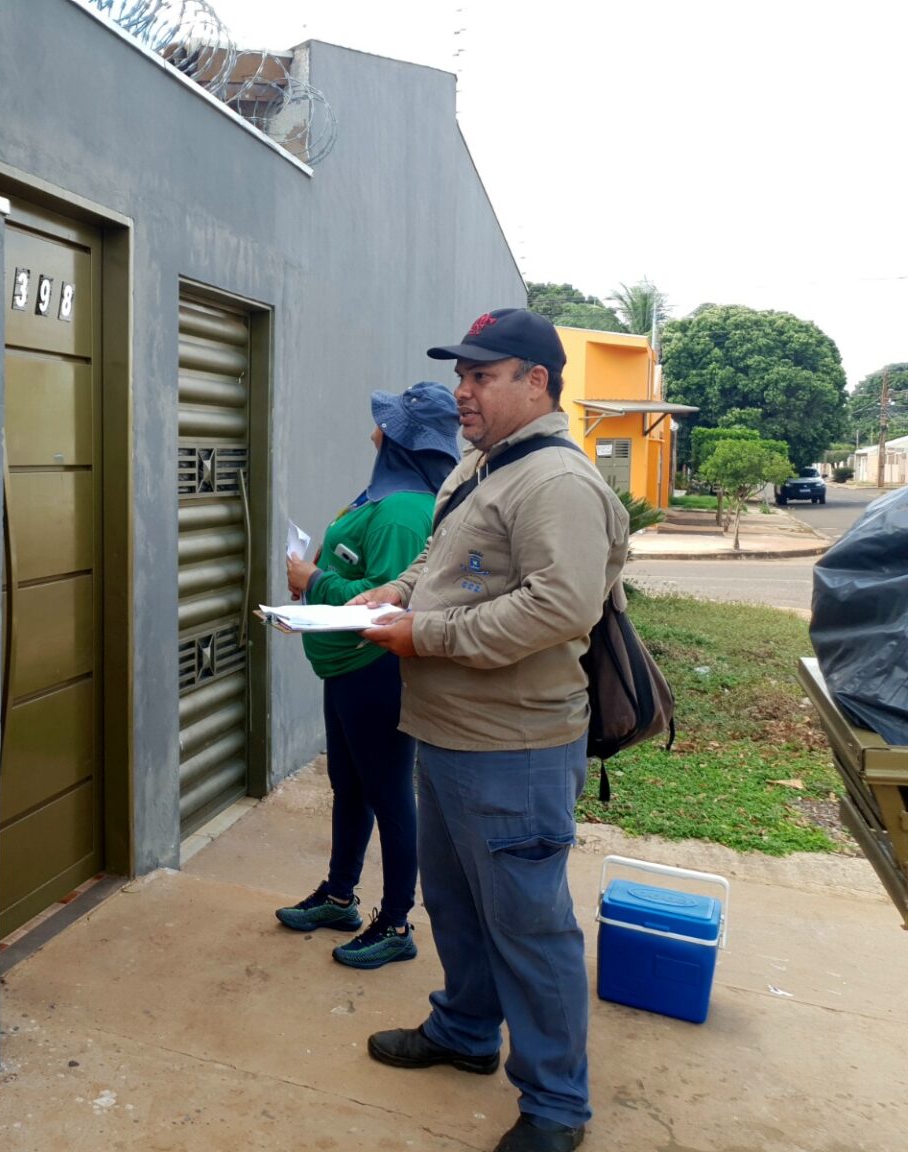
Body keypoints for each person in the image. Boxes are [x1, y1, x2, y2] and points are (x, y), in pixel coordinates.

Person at [352, 309, 629, 1152]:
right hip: (448, 734)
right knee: (457, 905)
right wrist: (397, 592)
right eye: (461, 376)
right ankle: (466, 1030)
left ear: (536, 382)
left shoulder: (557, 483)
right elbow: (442, 563)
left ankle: (556, 1106)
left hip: (516, 748)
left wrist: (425, 635)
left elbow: (561, 605)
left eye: (481, 376)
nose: (462, 393)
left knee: (530, 929)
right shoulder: (482, 467)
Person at [276, 382, 461, 969]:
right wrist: (315, 582)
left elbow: (384, 604)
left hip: (375, 669)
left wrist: (313, 581)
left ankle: (397, 922)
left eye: (386, 423)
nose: (373, 430)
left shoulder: (404, 509)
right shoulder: (382, 495)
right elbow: (358, 572)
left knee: (389, 795)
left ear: (404, 440)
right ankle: (339, 897)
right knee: (350, 787)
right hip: (346, 668)